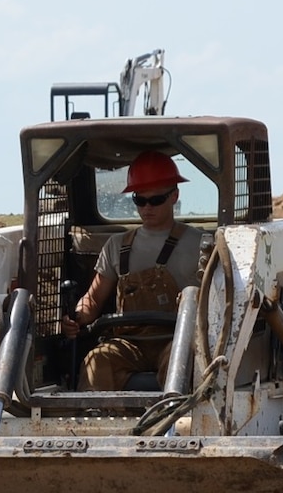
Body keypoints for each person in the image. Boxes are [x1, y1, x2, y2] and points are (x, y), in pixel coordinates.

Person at [61, 150, 203, 390]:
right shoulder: (117, 246)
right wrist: (76, 318)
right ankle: (97, 421)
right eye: (140, 200)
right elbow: (93, 300)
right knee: (98, 360)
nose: (147, 207)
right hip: (130, 343)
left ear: (174, 196)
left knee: (180, 360)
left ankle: (176, 422)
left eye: (155, 200)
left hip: (176, 339)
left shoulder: (200, 244)